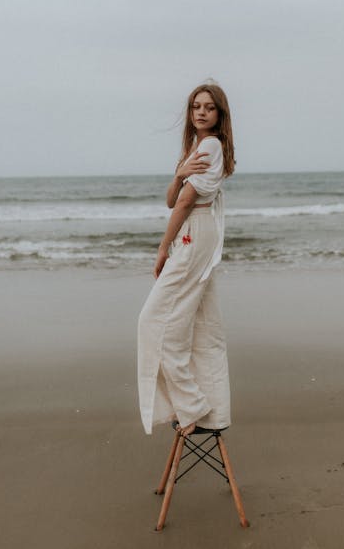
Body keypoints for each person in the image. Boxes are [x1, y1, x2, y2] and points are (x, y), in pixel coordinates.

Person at [137, 82, 235, 437]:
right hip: (199, 233)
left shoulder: (210, 146)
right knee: (204, 325)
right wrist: (179, 173)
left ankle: (191, 405)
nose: (201, 112)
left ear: (220, 114)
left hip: (194, 234)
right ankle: (211, 408)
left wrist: (163, 248)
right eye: (196, 106)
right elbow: (170, 196)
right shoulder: (198, 147)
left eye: (209, 107)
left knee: (154, 322)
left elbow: (183, 203)